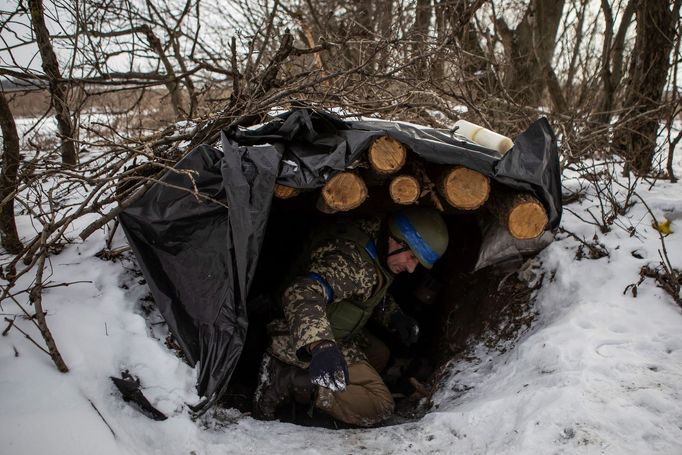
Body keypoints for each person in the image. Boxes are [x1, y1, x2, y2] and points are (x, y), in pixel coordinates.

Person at [253, 207, 449, 426]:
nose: (412, 269)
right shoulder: (352, 261)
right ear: (397, 240)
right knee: (380, 406)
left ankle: (324, 386)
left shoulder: (376, 240)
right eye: (411, 256)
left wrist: (394, 316)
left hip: (333, 326)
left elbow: (363, 292)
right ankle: (285, 379)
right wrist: (321, 346)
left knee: (380, 355)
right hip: (293, 331)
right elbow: (301, 292)